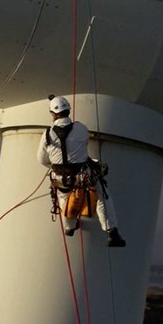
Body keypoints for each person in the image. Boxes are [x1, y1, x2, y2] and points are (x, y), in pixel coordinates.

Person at [37, 96, 126, 247]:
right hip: (82, 175)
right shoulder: (81, 129)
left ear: (52, 114)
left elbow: (41, 159)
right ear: (68, 110)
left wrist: (57, 167)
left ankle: (69, 227)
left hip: (59, 177)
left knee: (64, 196)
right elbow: (83, 147)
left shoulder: (47, 134)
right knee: (102, 194)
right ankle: (112, 232)